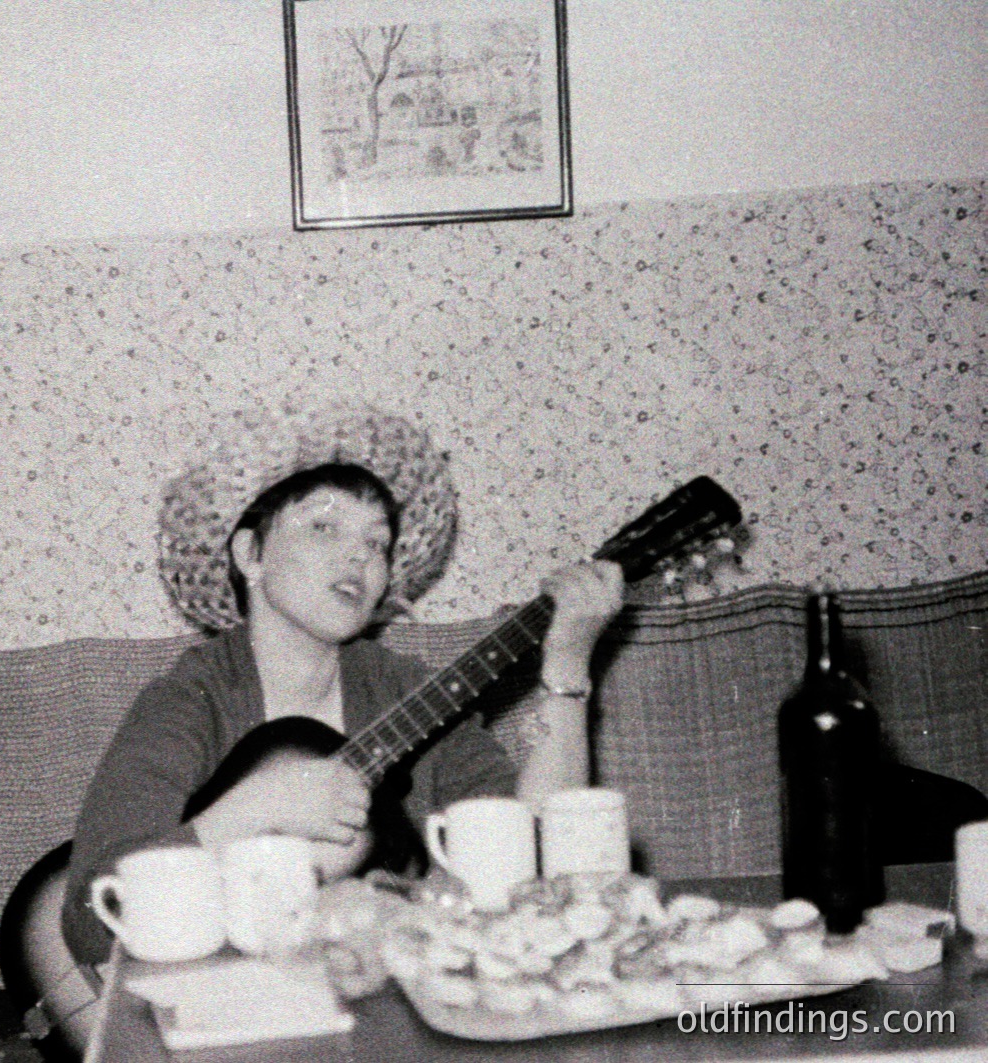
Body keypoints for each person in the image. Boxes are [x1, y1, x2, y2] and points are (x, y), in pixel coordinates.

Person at [61, 404, 624, 967]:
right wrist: (257, 807)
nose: (359, 555)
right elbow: (88, 926)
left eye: (376, 543)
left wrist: (569, 669)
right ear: (249, 554)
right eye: (324, 527)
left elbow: (544, 856)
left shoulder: (410, 690)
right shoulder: (191, 698)